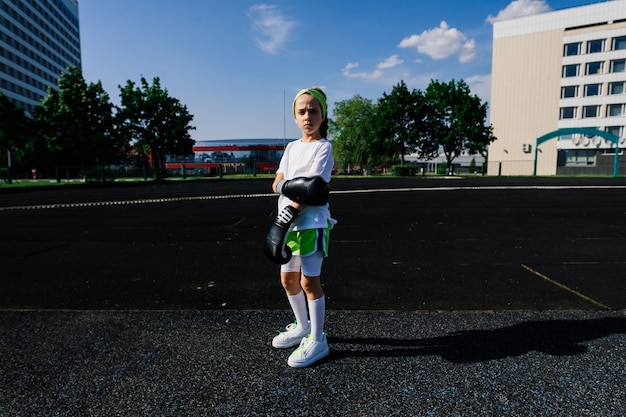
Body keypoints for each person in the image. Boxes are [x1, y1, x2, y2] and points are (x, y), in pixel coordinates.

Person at [265, 87, 336, 368]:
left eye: (313, 110)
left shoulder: (323, 147)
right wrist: (290, 186)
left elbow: (314, 190)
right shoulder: (292, 148)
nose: (308, 116)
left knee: (309, 282)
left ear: (322, 114)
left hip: (311, 223)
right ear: (295, 117)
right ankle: (302, 326)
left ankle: (318, 339)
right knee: (288, 280)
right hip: (290, 224)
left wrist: (287, 212)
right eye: (302, 111)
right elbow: (276, 182)